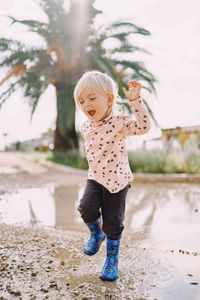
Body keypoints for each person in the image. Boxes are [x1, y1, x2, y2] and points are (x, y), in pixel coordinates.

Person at [73, 70, 151, 281]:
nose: (85, 104)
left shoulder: (119, 122)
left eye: (91, 98)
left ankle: (111, 260)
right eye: (81, 100)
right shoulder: (85, 126)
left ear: (108, 100)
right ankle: (97, 234)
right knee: (85, 208)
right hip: (95, 178)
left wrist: (135, 100)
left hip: (117, 182)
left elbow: (144, 127)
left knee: (113, 224)